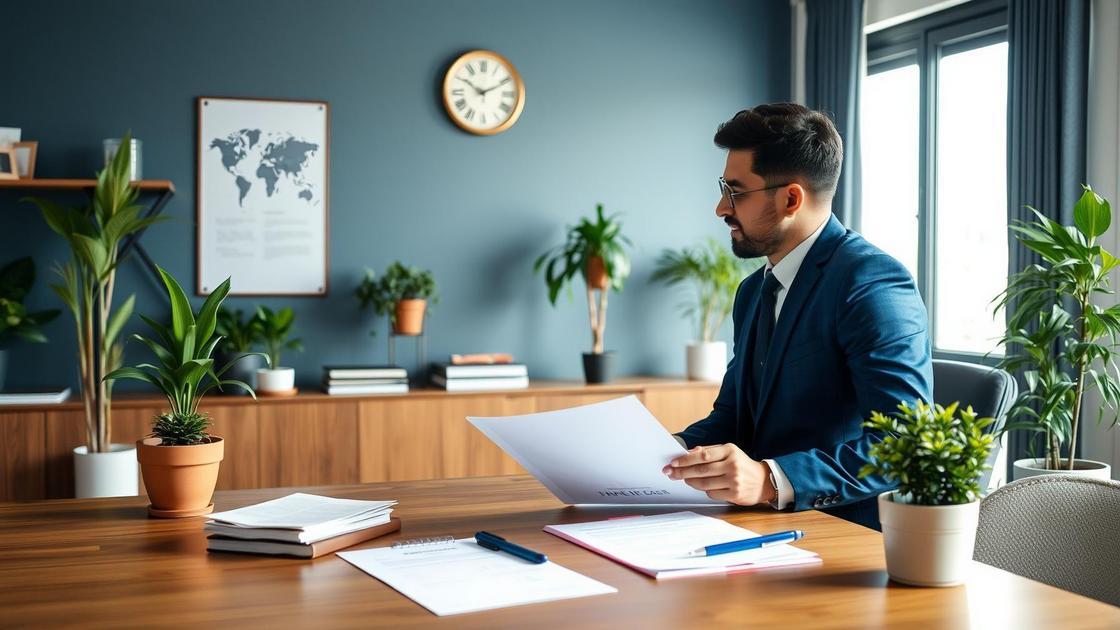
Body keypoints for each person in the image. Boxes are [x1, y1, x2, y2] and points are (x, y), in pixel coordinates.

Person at [663, 103, 932, 530]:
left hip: (843, 536)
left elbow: (907, 445)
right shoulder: (753, 291)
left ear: (791, 198)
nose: (720, 208)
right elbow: (734, 417)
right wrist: (664, 452)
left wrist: (770, 480)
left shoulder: (871, 282)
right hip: (754, 527)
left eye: (735, 191)